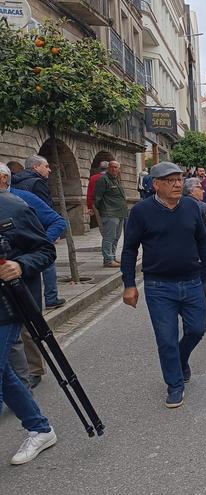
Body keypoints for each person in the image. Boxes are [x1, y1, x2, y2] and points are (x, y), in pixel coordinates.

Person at [121, 162, 206, 408]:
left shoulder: (191, 207)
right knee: (166, 339)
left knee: (197, 328)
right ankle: (174, 384)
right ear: (156, 184)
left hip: (192, 281)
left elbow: (202, 242)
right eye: (171, 180)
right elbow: (130, 249)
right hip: (159, 286)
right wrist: (129, 284)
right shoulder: (141, 211)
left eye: (179, 179)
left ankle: (181, 358)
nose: (178, 184)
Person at [0, 188, 58, 465]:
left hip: (6, 308)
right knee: (6, 375)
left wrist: (20, 265)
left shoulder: (13, 208)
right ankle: (40, 429)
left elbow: (45, 250)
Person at [1, 162, 66, 389]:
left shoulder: (22, 200)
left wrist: (27, 256)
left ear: (3, 179)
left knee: (27, 329)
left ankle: (33, 371)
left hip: (22, 278)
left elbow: (57, 223)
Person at [11, 155, 63, 313]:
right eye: (46, 166)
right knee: (47, 263)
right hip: (37, 234)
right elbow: (48, 212)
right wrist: (47, 239)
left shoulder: (17, 182)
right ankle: (51, 297)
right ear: (35, 167)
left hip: (18, 238)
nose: (49, 169)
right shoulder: (37, 183)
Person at [184, 178, 206, 296]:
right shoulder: (202, 206)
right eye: (200, 188)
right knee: (201, 286)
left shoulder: (177, 204)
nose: (203, 191)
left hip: (183, 255)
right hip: (199, 253)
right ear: (191, 191)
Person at [94, 160, 128, 268]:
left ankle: (112, 257)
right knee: (109, 237)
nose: (114, 169)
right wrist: (103, 210)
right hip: (109, 213)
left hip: (120, 212)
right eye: (112, 167)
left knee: (116, 237)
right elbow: (97, 198)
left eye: (116, 167)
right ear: (108, 168)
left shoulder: (117, 180)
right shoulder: (103, 180)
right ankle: (108, 260)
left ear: (119, 169)